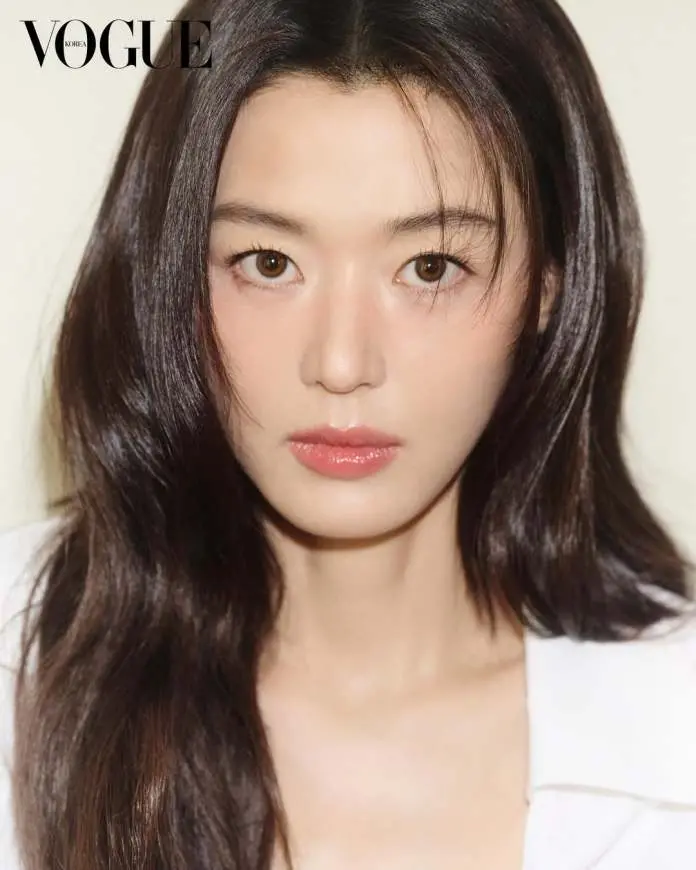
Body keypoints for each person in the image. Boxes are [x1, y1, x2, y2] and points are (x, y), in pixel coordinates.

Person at [1, 0, 695, 867]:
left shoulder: (676, 727)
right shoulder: (14, 680)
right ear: (172, 272)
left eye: (430, 267)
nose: (340, 362)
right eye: (269, 263)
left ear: (548, 289)